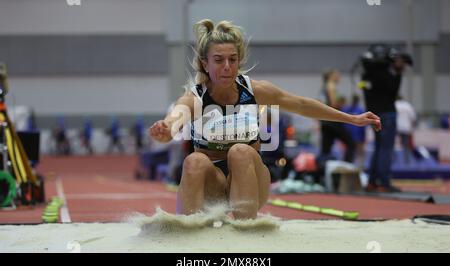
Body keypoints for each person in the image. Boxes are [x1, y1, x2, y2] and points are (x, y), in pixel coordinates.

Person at [149, 19, 380, 220]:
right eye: (218, 60)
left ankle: (248, 230)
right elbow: (172, 122)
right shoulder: (194, 98)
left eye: (232, 59)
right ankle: (187, 231)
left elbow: (301, 104)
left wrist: (350, 118)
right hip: (214, 185)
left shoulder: (255, 90)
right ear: (204, 64)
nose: (227, 67)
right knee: (194, 161)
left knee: (240, 151)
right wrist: (164, 129)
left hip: (251, 179)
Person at [360, 45, 412, 192]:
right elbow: (392, 92)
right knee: (385, 149)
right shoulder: (386, 74)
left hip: (373, 114)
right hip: (387, 114)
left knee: (378, 148)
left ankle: (372, 181)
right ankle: (384, 182)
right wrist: (398, 72)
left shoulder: (366, 74)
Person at [318, 69, 355, 163]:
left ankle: (321, 173)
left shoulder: (324, 87)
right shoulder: (331, 85)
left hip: (325, 121)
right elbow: (333, 104)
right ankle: (347, 168)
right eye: (337, 74)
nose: (339, 76)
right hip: (332, 121)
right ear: (331, 75)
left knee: (325, 150)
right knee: (351, 144)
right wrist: (342, 103)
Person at [342, 94, 367, 168]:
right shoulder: (347, 109)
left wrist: (363, 138)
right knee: (351, 152)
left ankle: (358, 167)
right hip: (350, 136)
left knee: (358, 153)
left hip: (356, 136)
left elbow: (363, 126)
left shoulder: (360, 110)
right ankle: (350, 167)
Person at [395, 95, 416, 164]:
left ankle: (393, 162)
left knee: (393, 145)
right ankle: (406, 162)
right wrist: (412, 128)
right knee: (406, 146)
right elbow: (413, 118)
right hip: (406, 128)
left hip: (396, 127)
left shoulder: (395, 105)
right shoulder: (408, 106)